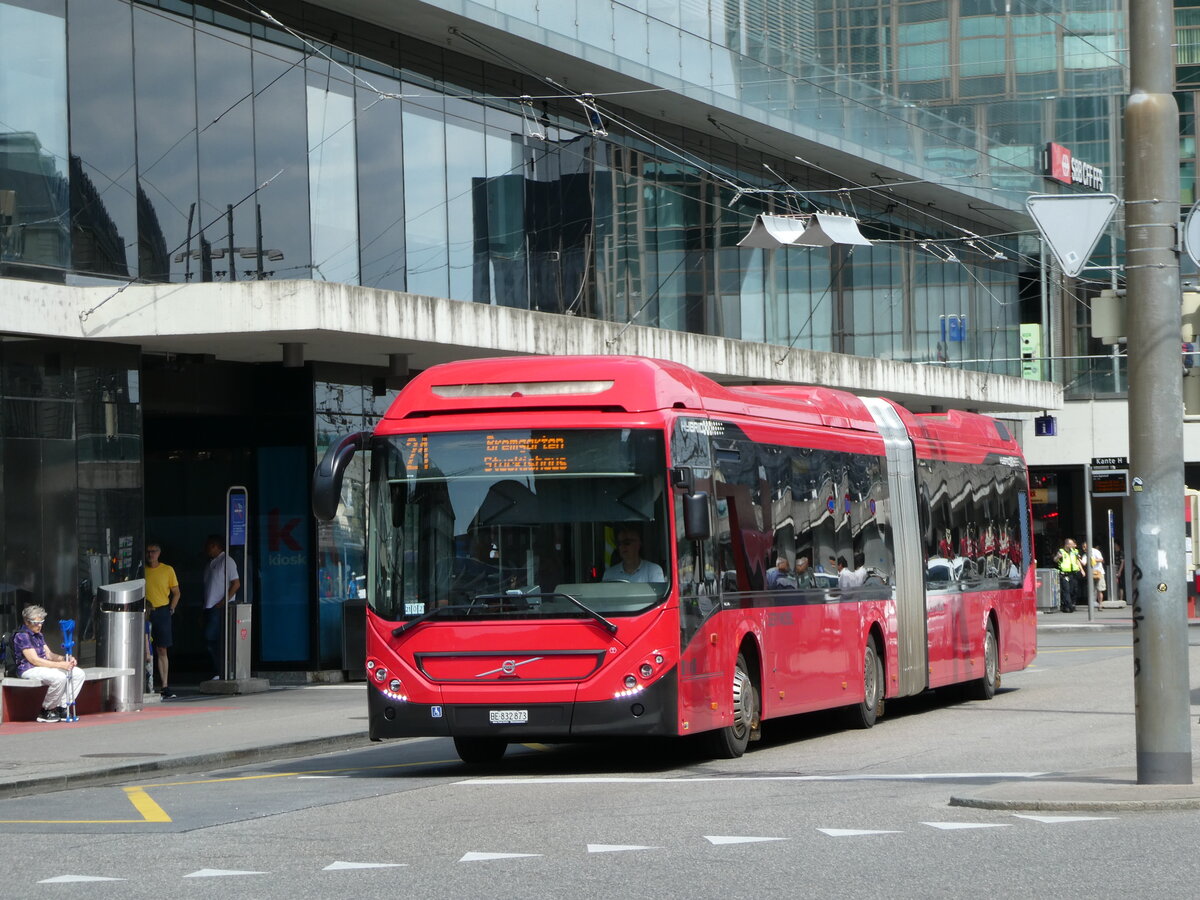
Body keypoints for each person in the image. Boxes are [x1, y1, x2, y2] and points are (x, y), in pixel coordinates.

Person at [12, 604, 85, 723]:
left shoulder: (39, 635)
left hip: (43, 667)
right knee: (59, 677)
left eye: (41, 622)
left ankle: (63, 707)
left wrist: (65, 659)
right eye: (36, 622)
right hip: (29, 669)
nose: (40, 625)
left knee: (78, 673)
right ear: (27, 621)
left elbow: (50, 655)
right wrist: (60, 666)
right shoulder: (22, 636)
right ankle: (47, 710)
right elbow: (35, 660)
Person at [144, 541, 181, 699]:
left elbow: (176, 592)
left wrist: (171, 609)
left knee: (162, 649)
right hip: (145, 612)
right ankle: (146, 684)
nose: (151, 554)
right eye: (148, 551)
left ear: (159, 553)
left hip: (162, 611)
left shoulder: (167, 570)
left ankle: (165, 685)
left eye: (154, 551)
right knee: (145, 650)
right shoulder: (141, 570)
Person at [202, 535, 241, 680]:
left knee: (213, 639)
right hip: (209, 607)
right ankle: (218, 670)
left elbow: (236, 583)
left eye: (210, 546)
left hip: (218, 607)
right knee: (212, 640)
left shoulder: (227, 561)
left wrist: (224, 602)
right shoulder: (210, 564)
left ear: (217, 546)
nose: (207, 549)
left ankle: (221, 671)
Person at [1053, 538, 1081, 612]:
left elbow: (1077, 560)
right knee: (1066, 590)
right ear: (1067, 544)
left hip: (1072, 573)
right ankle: (1069, 606)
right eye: (1071, 544)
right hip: (1064, 574)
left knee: (1072, 590)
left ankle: (1066, 605)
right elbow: (1055, 560)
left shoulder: (1074, 551)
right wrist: (1058, 557)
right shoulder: (1061, 551)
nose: (1073, 545)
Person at [1084, 540, 1106, 606]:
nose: (1084, 548)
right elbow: (1084, 562)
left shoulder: (1096, 551)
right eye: (1083, 547)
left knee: (1100, 589)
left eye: (1085, 547)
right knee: (1092, 589)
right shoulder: (1085, 554)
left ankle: (1100, 604)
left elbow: (1101, 559)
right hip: (1091, 573)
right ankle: (1093, 602)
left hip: (1099, 572)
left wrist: (1093, 560)